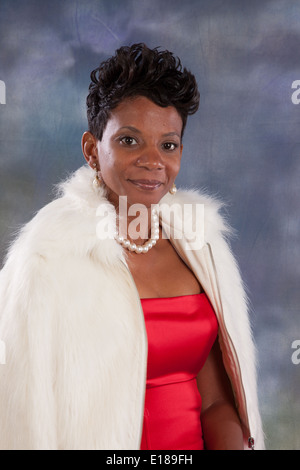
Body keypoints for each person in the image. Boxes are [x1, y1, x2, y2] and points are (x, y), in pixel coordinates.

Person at [0, 43, 264, 450]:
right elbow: (21, 415)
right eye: (129, 141)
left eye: (168, 145)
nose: (152, 161)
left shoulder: (199, 246)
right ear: (92, 150)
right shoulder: (46, 257)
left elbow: (214, 402)